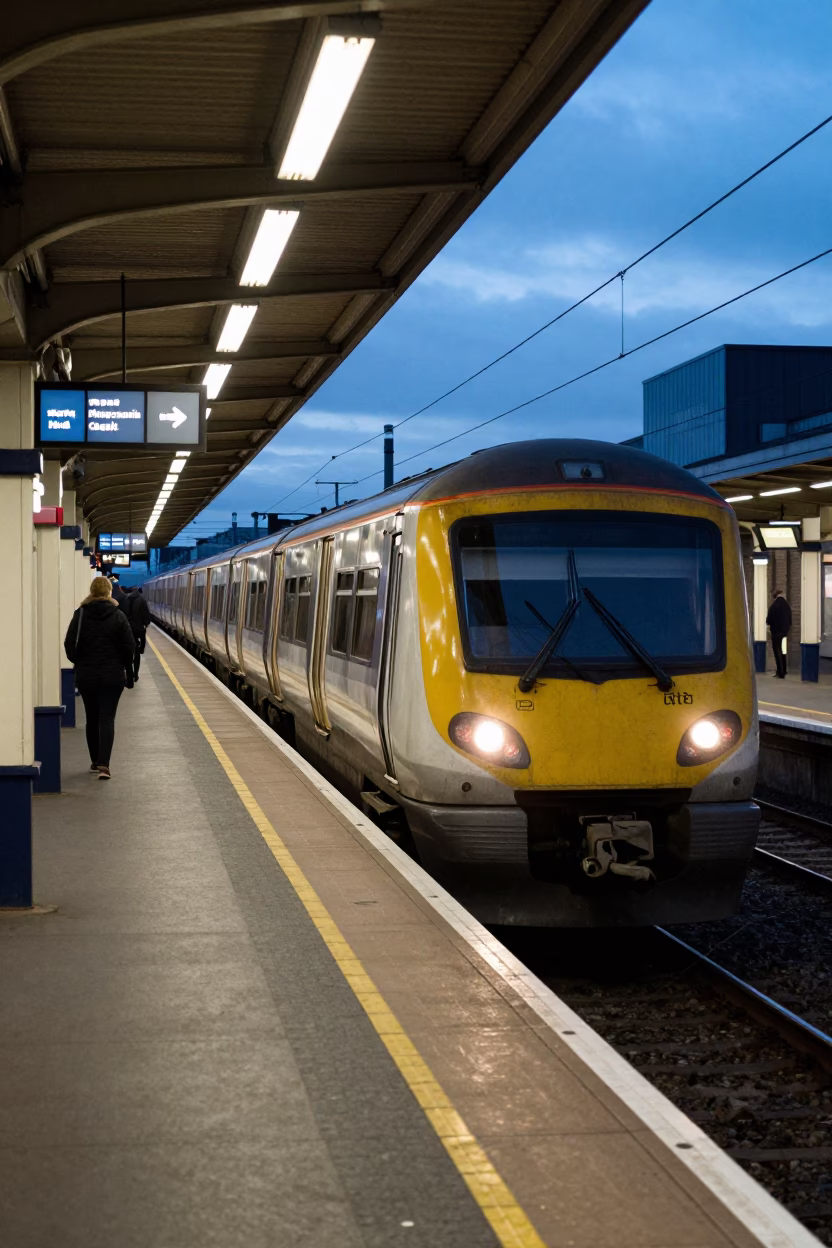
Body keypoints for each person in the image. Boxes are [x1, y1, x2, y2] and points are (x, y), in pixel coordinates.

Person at [64, 575, 135, 779]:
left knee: (92, 718)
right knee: (107, 718)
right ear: (109, 592)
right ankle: (105, 765)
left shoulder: (80, 615)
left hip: (87, 675)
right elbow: (129, 647)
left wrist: (79, 660)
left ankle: (95, 761)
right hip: (112, 676)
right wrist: (121, 664)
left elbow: (69, 644)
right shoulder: (118, 615)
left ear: (91, 591)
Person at [123, 585, 151, 681]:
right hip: (138, 630)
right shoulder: (142, 600)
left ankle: (129, 674)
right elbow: (146, 618)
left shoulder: (125, 599)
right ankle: (135, 675)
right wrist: (144, 624)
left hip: (127, 630)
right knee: (137, 652)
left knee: (128, 653)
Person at [766, 588, 792, 679]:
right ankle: (784, 670)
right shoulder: (787, 605)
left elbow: (769, 619)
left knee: (777, 651)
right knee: (784, 651)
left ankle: (779, 672)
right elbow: (790, 619)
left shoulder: (774, 605)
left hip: (776, 633)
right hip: (784, 633)